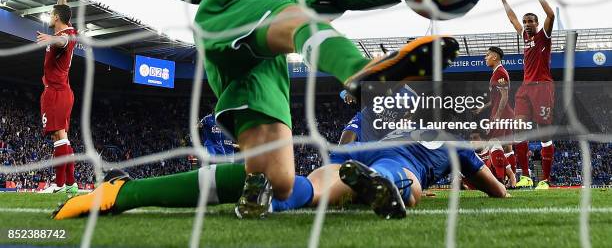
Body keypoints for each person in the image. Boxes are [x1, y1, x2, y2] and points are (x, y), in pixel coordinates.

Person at [84, 0, 460, 218]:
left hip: (266, 63)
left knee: (276, 181)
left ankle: (123, 193)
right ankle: (361, 72)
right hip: (227, 14)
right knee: (296, 14)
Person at [52, 129, 507, 221]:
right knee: (406, 182)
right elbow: (498, 192)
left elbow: (351, 133)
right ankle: (394, 188)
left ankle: (277, 197)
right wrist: (473, 172)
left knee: (323, 181)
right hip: (401, 164)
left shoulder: (401, 121)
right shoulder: (461, 145)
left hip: (352, 154)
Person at [499, 0, 555, 189]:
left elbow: (550, 14)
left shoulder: (544, 36)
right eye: (525, 22)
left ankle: (545, 180)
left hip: (542, 86)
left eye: (531, 21)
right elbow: (512, 18)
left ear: (537, 23)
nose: (527, 24)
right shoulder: (524, 37)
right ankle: (526, 176)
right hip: (525, 88)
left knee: (543, 133)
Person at [36, 0, 78, 195]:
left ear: (56, 19)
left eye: (52, 15)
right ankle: (70, 182)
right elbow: (63, 11)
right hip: (63, 91)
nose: (50, 16)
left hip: (56, 92)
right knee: (63, 137)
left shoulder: (64, 36)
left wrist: (52, 39)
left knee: (58, 137)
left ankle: (59, 185)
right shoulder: (68, 28)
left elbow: (62, 42)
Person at [473, 46, 516, 176]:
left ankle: (501, 179)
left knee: (494, 144)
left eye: (487, 55)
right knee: (507, 146)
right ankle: (511, 179)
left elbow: (505, 96)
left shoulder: (500, 73)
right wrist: (482, 108)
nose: (485, 58)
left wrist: (497, 115)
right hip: (505, 113)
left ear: (495, 57)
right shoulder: (496, 73)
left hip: (502, 114)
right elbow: (494, 100)